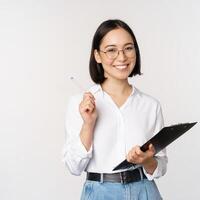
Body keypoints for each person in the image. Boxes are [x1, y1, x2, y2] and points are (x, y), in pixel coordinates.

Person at [62, 19, 167, 200]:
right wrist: (88, 124)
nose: (122, 57)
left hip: (145, 191)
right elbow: (74, 167)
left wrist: (146, 160)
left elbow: (161, 166)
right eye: (111, 50)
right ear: (97, 55)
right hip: (99, 193)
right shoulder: (80, 104)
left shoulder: (151, 105)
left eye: (128, 48)